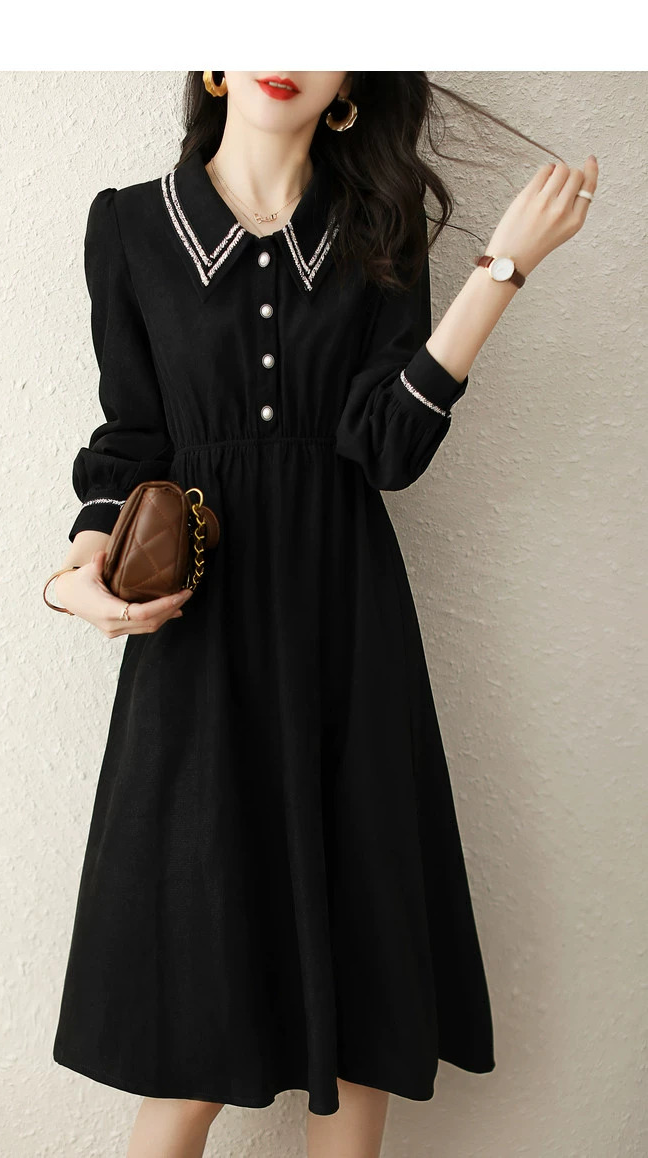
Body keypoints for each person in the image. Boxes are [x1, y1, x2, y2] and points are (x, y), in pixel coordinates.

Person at [45, 71, 598, 1158]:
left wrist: (501, 270)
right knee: (188, 1012)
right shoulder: (129, 227)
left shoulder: (379, 225)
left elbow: (386, 449)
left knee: (360, 1011)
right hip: (198, 644)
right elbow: (130, 439)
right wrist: (75, 573)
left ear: (352, 82)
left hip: (350, 632)